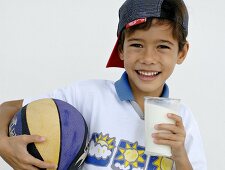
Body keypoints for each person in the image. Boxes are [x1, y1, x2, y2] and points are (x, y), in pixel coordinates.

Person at [0, 0, 207, 169]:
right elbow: (7, 108)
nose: (148, 58)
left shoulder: (183, 120)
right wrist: (4, 146)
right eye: (137, 45)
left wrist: (179, 155)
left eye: (162, 46)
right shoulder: (87, 96)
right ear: (121, 50)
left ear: (181, 52)